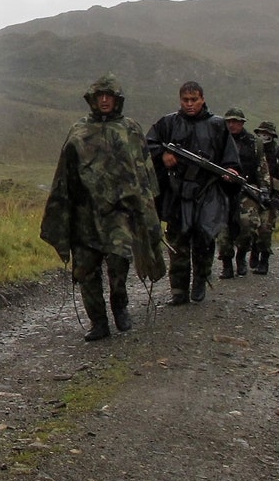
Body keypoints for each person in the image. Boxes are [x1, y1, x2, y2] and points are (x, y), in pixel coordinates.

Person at [39, 74, 163, 341]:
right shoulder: (78, 131)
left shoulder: (130, 129)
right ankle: (98, 322)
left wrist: (147, 209)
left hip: (120, 212)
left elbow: (144, 172)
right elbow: (64, 175)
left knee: (119, 262)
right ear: (92, 99)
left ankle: (120, 305)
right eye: (99, 96)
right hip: (85, 213)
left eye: (109, 96)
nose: (104, 100)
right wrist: (62, 212)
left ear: (117, 99)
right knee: (85, 269)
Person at [145, 82, 242, 304]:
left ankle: (200, 280)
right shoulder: (168, 123)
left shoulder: (217, 125)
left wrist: (230, 170)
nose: (189, 104)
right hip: (178, 192)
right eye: (185, 100)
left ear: (203, 99)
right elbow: (148, 144)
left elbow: (230, 157)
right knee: (177, 242)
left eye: (194, 99)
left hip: (208, 192)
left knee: (204, 239)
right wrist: (163, 155)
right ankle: (178, 290)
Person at [217, 109, 266, 281]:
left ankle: (241, 256)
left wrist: (264, 191)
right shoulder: (218, 141)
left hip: (247, 190)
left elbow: (262, 168)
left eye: (236, 121)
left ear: (243, 123)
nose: (232, 124)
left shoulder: (254, 143)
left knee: (248, 226)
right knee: (223, 230)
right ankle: (227, 264)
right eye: (229, 121)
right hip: (222, 190)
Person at [251, 121, 279, 274]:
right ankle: (254, 248)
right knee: (249, 227)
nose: (264, 137)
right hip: (252, 193)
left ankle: (264, 260)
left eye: (267, 134)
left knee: (266, 229)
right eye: (261, 134)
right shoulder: (252, 149)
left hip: (271, 197)